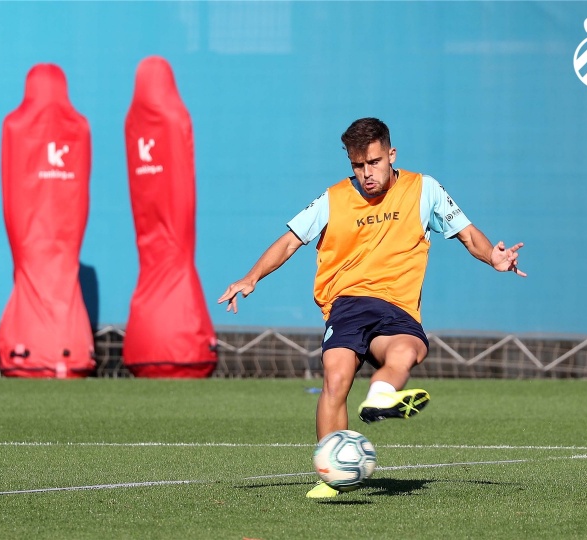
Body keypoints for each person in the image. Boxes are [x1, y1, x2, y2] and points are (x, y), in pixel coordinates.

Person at [218, 118, 526, 498]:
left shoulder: (423, 189)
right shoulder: (333, 198)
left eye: (374, 163)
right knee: (336, 378)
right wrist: (252, 277)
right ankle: (331, 475)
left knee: (407, 350)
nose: (367, 173)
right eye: (358, 165)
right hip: (347, 303)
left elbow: (467, 233)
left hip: (397, 306)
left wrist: (492, 257)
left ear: (391, 155)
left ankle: (380, 395)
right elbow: (290, 241)